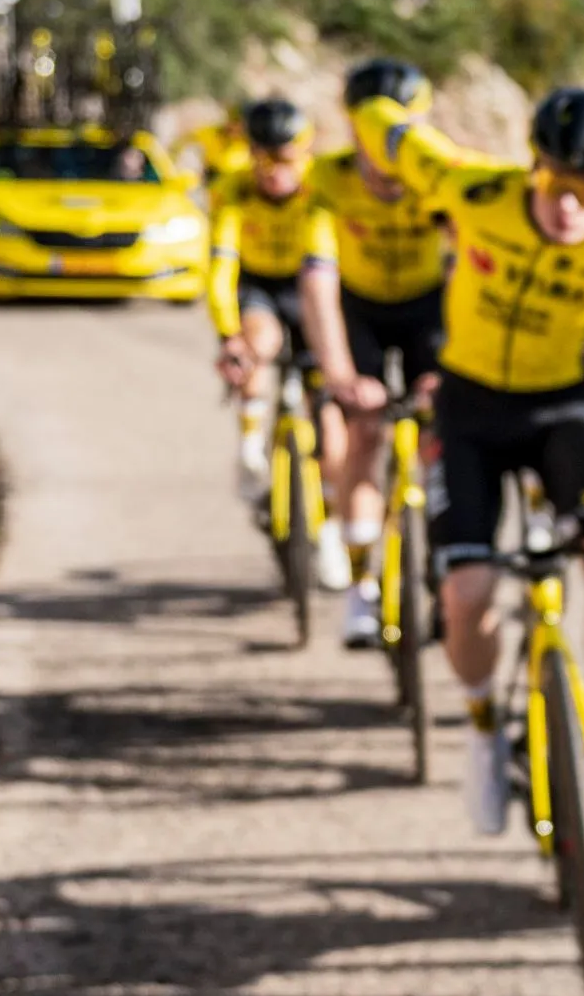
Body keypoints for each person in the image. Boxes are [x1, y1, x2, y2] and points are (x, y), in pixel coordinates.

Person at [431, 88, 584, 844]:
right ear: (530, 167)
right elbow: (393, 137)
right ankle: (482, 732)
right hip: (468, 407)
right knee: (467, 589)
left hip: (561, 410)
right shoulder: (475, 192)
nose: (570, 209)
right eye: (554, 184)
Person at [307, 58, 481, 646]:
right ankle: (360, 589)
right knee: (366, 430)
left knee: (443, 437)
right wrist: (338, 374)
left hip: (428, 306)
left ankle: (438, 564)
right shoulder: (328, 179)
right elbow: (317, 282)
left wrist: (455, 362)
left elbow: (470, 270)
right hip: (359, 309)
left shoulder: (436, 180)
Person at [204, 97, 357, 594]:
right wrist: (229, 336)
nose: (274, 172)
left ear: (305, 154)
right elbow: (221, 270)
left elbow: (326, 264)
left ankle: (332, 532)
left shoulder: (319, 190)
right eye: (262, 158)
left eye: (286, 159)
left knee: (331, 432)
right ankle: (251, 447)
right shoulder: (232, 189)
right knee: (259, 343)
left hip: (307, 284)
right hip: (258, 285)